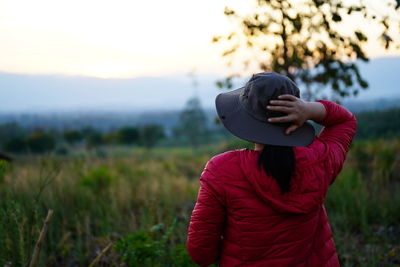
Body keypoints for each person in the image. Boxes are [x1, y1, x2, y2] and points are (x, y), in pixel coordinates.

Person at [187, 72, 357, 266]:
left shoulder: (222, 171)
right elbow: (346, 121)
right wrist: (310, 109)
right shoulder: (320, 160)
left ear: (247, 120)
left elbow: (201, 253)